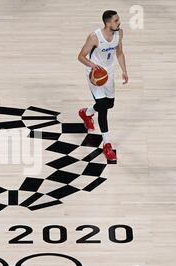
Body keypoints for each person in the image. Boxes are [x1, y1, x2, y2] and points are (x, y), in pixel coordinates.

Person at [77, 10, 128, 161]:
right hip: (95, 74)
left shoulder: (119, 33)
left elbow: (119, 53)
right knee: (103, 107)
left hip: (109, 71)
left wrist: (124, 70)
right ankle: (107, 144)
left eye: (118, 20)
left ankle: (86, 113)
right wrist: (92, 66)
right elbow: (80, 56)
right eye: (116, 21)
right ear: (107, 23)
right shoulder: (95, 37)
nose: (119, 23)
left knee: (110, 104)